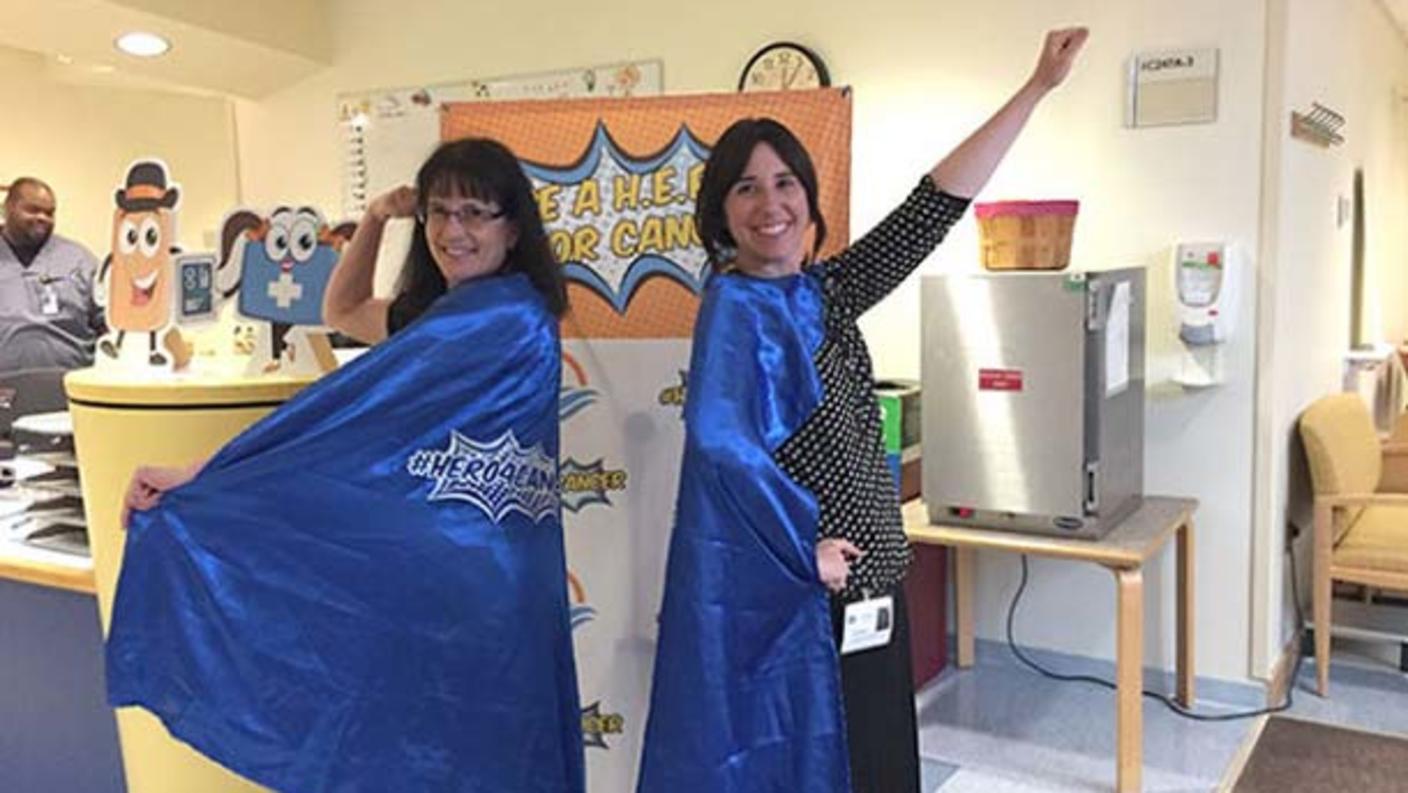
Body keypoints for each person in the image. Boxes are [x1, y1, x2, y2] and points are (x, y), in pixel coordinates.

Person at [638, 28, 1088, 793]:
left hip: (874, 583)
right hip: (811, 601)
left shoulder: (822, 293)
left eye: (785, 182)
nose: (770, 202)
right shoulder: (738, 309)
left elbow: (931, 208)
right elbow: (721, 446)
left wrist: (1036, 87)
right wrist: (797, 549)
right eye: (746, 187)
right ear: (721, 212)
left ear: (809, 200)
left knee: (881, 764)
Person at [108, 138, 583, 793]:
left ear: (512, 226)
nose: (453, 230)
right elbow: (342, 312)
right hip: (430, 578)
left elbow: (333, 420)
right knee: (427, 750)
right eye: (439, 212)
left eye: (474, 211)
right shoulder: (442, 315)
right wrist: (375, 220)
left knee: (479, 750)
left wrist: (204, 469)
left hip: (482, 592)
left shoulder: (507, 320)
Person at [0, 177, 106, 373]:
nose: (42, 218)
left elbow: (109, 326)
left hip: (71, 386)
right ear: (7, 209)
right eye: (32, 209)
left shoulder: (79, 260)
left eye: (49, 213)